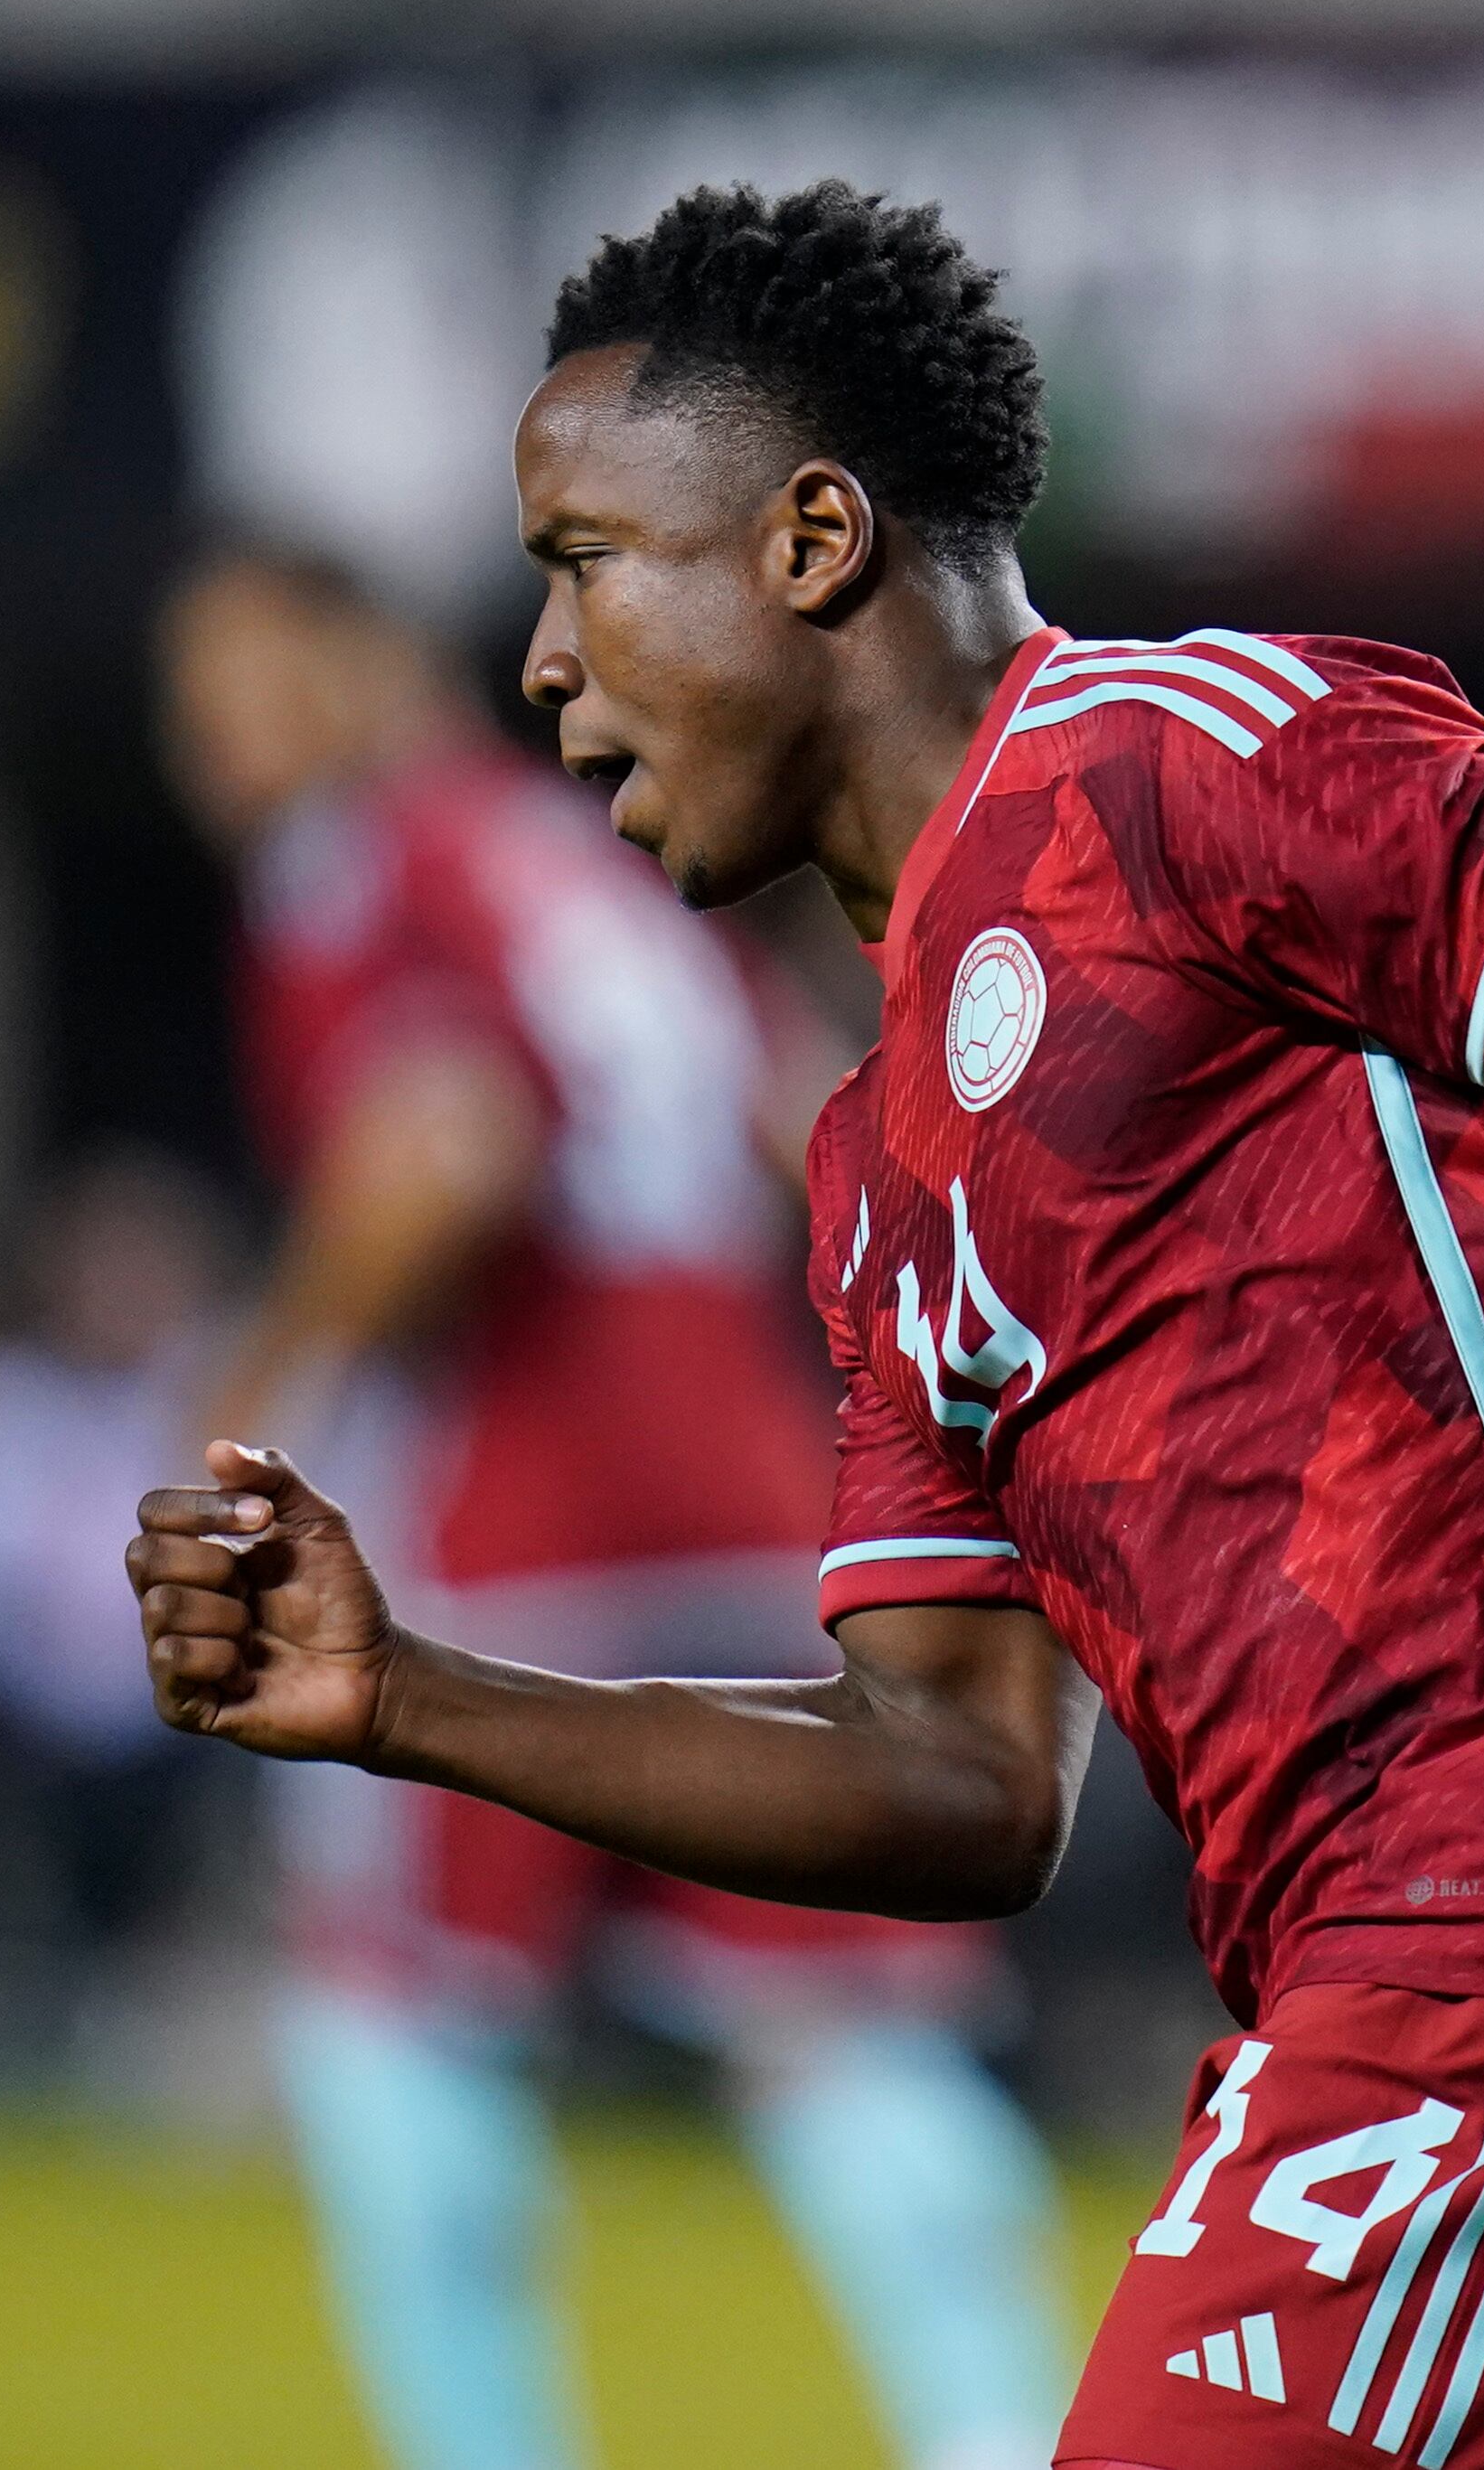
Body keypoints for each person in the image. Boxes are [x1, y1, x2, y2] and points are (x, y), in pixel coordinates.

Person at [130, 180, 1484, 2470]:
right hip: (1445, 1982)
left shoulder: (1176, 760)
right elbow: (954, 1781)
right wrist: (407, 1696)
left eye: (583, 559)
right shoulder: (879, 1163)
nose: (541, 661)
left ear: (805, 541)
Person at [153, 540, 1072, 2470]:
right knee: (837, 2029)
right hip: (755, 1502)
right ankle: (1002, 2437)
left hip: (519, 1532)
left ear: (356, 657)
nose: (204, 739)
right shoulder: (589, 864)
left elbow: (444, 1139)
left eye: (233, 680)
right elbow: (819, 1120)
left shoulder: (366, 859)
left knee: (388, 2017)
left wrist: (256, 1392)